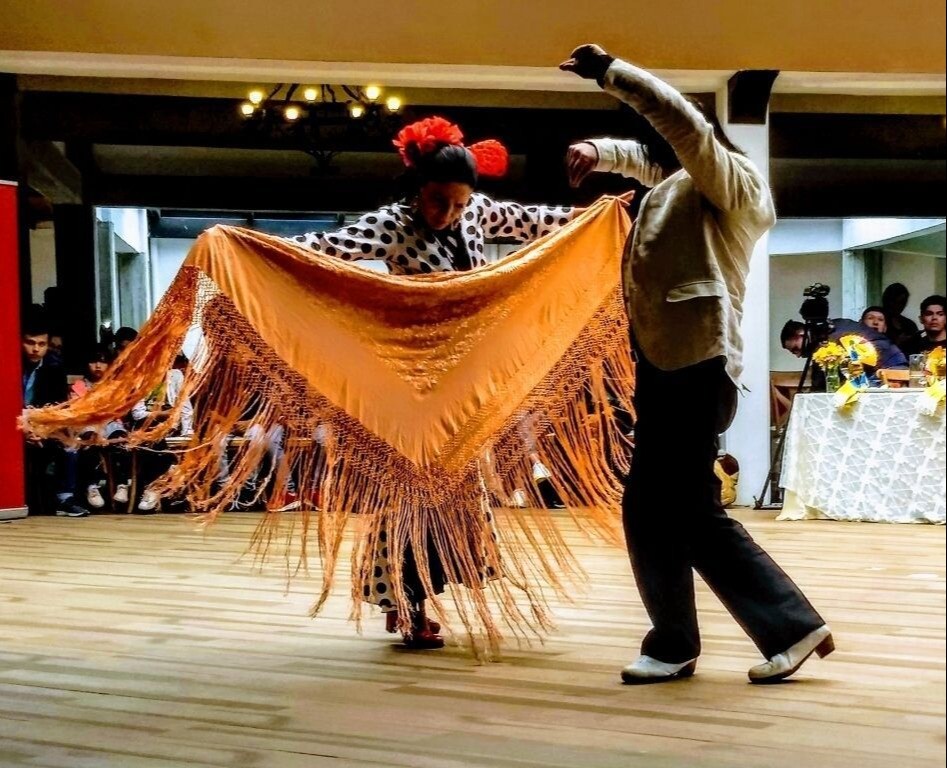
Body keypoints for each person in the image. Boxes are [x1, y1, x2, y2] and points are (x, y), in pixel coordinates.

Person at [561, 44, 831, 684]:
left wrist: (611, 74)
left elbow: (680, 129)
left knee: (686, 510)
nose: (672, 154)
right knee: (650, 507)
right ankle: (675, 641)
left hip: (698, 364)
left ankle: (785, 627)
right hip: (667, 364)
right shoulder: (685, 183)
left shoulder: (736, 185)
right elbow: (653, 160)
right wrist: (602, 152)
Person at [291, 115, 576, 649]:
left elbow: (534, 220)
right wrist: (243, 242)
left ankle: (408, 597)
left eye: (460, 205)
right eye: (438, 202)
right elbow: (320, 247)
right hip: (412, 380)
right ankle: (407, 603)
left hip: (465, 384)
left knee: (455, 493)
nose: (449, 214)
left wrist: (596, 215)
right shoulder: (391, 225)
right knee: (409, 492)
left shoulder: (476, 212)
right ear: (416, 188)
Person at [21, 315, 88, 517]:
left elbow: (56, 408)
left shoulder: (54, 369)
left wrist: (40, 430)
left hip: (41, 424)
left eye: (41, 344)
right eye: (30, 343)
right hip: (11, 424)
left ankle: (65, 498)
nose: (35, 349)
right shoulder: (9, 363)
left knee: (70, 443)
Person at [780, 318, 908, 375]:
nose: (798, 355)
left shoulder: (827, 340)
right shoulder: (832, 327)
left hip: (889, 369)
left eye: (796, 349)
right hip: (886, 366)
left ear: (801, 334)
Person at [881, 283, 918, 348]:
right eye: (894, 301)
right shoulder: (877, 322)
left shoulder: (910, 325)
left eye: (902, 303)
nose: (898, 306)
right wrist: (896, 343)